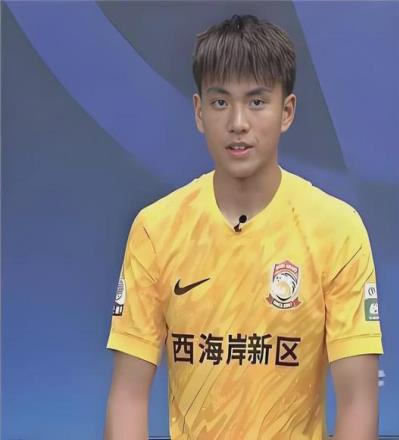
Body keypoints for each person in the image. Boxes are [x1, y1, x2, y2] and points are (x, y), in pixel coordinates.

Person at [104, 14, 384, 440]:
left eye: (256, 102)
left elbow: (358, 402)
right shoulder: (155, 230)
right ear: (199, 112)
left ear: (286, 111)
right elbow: (128, 397)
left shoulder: (337, 230)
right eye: (220, 102)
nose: (238, 122)